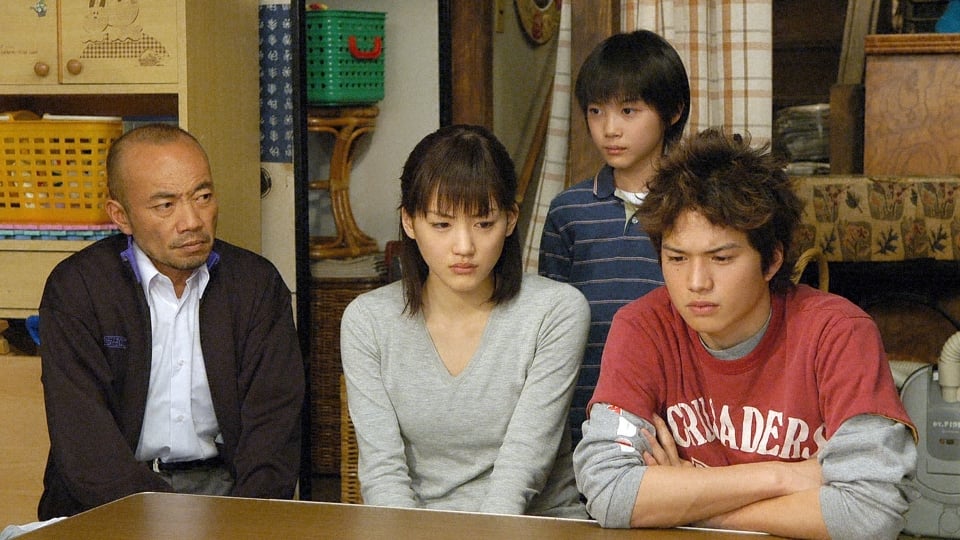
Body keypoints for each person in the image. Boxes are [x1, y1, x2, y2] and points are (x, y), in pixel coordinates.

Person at [573, 128, 918, 539]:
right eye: (677, 258)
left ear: (771, 261)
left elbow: (871, 511)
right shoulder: (643, 327)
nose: (696, 282)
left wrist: (683, 504)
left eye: (721, 258)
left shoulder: (839, 332)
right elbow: (609, 491)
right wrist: (782, 477)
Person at [37, 123, 305, 519]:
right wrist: (162, 521)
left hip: (227, 491)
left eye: (203, 197)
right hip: (109, 500)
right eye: (166, 205)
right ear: (121, 216)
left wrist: (244, 521)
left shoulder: (256, 285)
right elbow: (85, 444)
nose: (192, 221)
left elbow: (274, 429)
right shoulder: (78, 289)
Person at [340, 124, 589, 518]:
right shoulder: (368, 321)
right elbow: (382, 472)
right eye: (442, 224)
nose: (464, 246)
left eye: (483, 223)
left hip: (534, 525)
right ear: (409, 221)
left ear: (510, 220)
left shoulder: (555, 312)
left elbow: (522, 466)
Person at [538, 30, 690, 445]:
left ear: (673, 111)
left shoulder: (692, 209)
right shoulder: (568, 211)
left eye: (628, 111)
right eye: (596, 111)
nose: (609, 129)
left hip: (675, 408)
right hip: (584, 405)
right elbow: (550, 325)